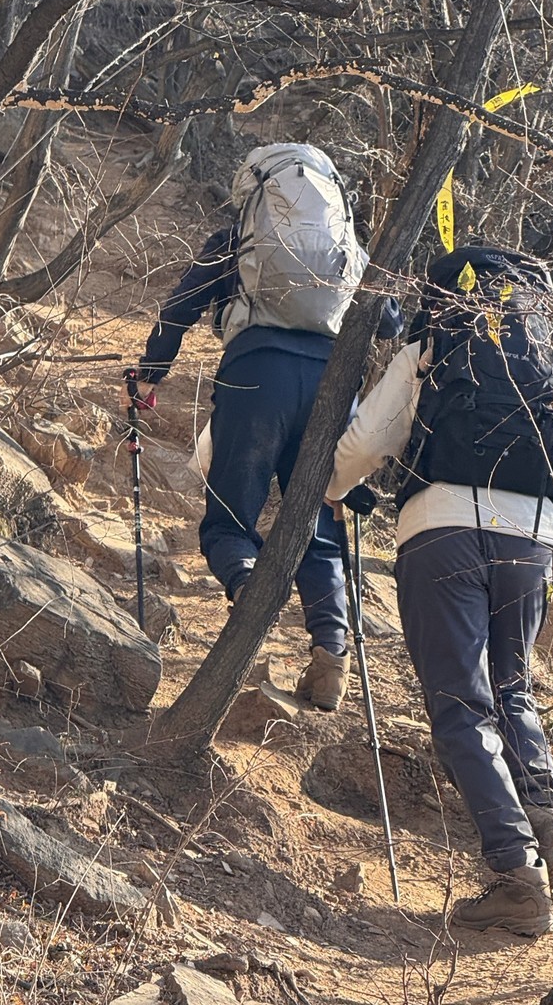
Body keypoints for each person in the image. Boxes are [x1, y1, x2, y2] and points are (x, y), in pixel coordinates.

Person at [325, 246, 553, 936]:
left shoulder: (432, 349)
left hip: (442, 531)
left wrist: (330, 492)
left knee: (463, 704)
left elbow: (361, 445)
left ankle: (519, 878)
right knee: (512, 689)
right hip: (534, 539)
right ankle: (549, 836)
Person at [121, 142, 402, 712]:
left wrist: (149, 377)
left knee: (229, 520)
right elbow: (389, 320)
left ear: (250, 190)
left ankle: (248, 590)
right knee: (317, 514)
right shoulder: (347, 249)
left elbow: (181, 306)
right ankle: (331, 656)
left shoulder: (238, 239)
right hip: (331, 386)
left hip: (254, 375)